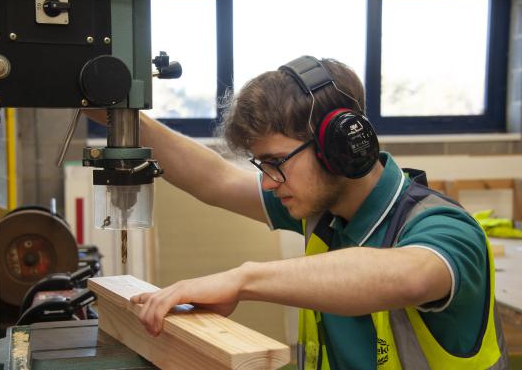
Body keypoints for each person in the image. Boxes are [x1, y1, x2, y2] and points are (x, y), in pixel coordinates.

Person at [88, 56, 508, 369]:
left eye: (277, 162)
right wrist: (117, 115)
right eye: (262, 166)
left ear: (339, 145)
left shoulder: (446, 230)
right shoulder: (323, 210)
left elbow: (409, 275)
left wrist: (242, 279)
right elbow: (214, 180)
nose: (269, 182)